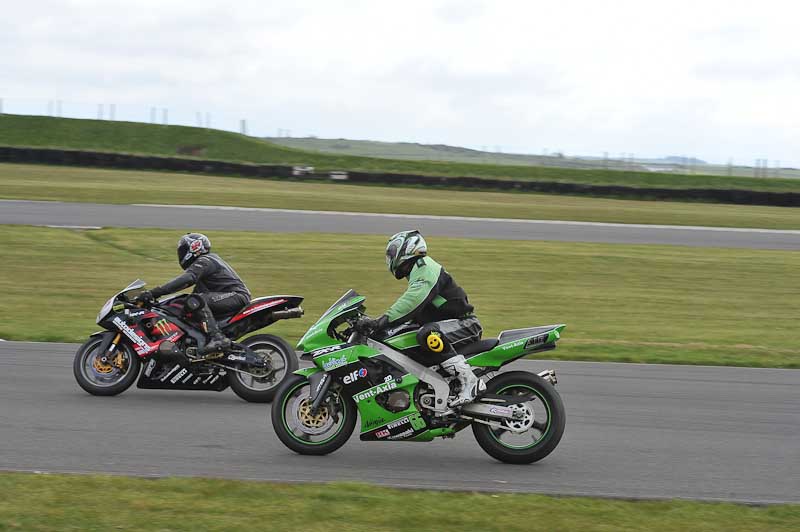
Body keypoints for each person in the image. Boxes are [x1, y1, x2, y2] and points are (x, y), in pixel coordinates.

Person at [360, 230, 484, 407]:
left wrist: (381, 321)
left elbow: (412, 301)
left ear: (408, 248)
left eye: (393, 251)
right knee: (395, 337)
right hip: (446, 325)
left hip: (465, 325)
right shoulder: (418, 271)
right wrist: (378, 327)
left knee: (427, 334)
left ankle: (470, 381)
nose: (391, 257)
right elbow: (415, 309)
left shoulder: (425, 267)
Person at [135, 233, 251, 353]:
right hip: (229, 297)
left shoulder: (205, 260)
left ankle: (217, 338)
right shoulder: (207, 266)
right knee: (189, 304)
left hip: (235, 295)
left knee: (194, 300)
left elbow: (187, 279)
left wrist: (154, 292)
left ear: (194, 248)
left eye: (183, 250)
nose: (181, 254)